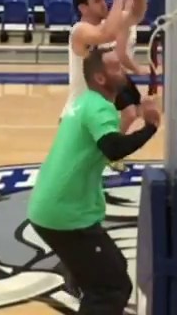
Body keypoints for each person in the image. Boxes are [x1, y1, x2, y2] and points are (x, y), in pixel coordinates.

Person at [27, 46, 161, 315]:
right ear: (101, 78)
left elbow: (105, 149)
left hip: (52, 208)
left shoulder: (85, 102)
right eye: (115, 67)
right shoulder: (99, 107)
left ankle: (78, 280)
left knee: (112, 270)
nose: (122, 71)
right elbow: (113, 148)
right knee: (112, 287)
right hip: (65, 215)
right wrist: (151, 127)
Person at [66, 0, 149, 131]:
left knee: (108, 148)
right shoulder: (79, 30)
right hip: (79, 110)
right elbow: (107, 34)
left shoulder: (107, 24)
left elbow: (137, 15)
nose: (104, 4)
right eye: (97, 1)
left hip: (99, 109)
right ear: (83, 8)